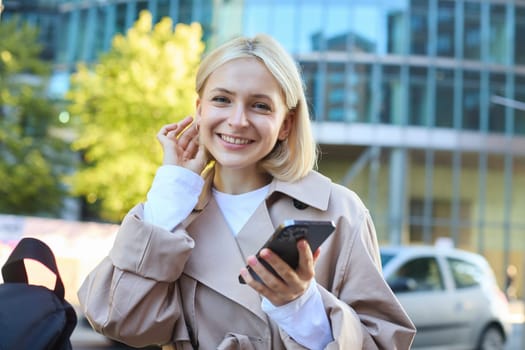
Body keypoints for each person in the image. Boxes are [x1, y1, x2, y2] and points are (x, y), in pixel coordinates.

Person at [78, 34, 416, 350]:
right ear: (199, 109)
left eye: (260, 106)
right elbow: (118, 318)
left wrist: (303, 307)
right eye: (222, 100)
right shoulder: (172, 210)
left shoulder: (338, 210)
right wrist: (171, 191)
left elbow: (384, 341)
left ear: (285, 124)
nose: (238, 120)